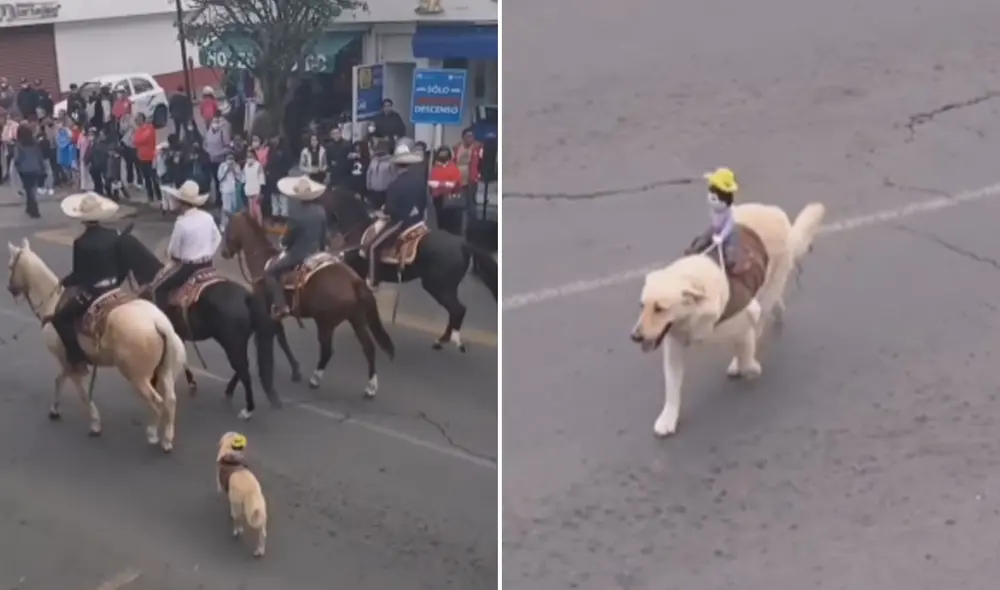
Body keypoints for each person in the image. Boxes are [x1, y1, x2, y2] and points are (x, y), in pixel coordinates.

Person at [41, 193, 123, 372]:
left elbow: (79, 275)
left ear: (83, 220)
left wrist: (64, 282)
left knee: (61, 319)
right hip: (116, 288)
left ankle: (77, 358)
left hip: (95, 292)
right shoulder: (114, 235)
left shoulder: (81, 242)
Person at [149, 181, 221, 308]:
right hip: (208, 264)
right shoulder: (207, 217)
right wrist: (207, 252)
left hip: (188, 267)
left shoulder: (181, 223)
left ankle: (166, 319)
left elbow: (174, 251)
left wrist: (172, 257)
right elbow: (218, 238)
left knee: (158, 288)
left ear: (181, 202)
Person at [264, 177, 327, 318]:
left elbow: (288, 240)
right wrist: (322, 250)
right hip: (318, 252)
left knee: (270, 272)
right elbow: (323, 235)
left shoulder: (297, 215)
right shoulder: (321, 210)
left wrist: (283, 243)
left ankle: (281, 306)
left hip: (300, 254)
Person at [365, 142, 425, 289]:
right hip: (418, 221)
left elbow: (390, 209)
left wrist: (383, 213)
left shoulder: (395, 184)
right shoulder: (419, 180)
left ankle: (373, 281)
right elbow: (423, 202)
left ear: (396, 165)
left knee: (373, 247)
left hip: (401, 222)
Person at [686, 167, 740, 271]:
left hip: (727, 234)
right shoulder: (715, 209)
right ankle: (694, 250)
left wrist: (722, 236)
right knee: (703, 239)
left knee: (730, 252)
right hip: (715, 228)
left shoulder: (729, 213)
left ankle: (730, 264)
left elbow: (729, 225)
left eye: (715, 198)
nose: (711, 200)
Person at [453, 127, 483, 231]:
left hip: (471, 178)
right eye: (468, 136)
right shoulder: (457, 148)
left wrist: (479, 175)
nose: (470, 139)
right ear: (463, 137)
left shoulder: (477, 148)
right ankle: (459, 226)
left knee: (471, 203)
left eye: (472, 136)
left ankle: (473, 227)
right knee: (460, 203)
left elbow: (481, 162)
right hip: (459, 179)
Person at [429, 146, 463, 235]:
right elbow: (432, 183)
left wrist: (443, 184)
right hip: (438, 197)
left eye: (445, 154)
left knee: (451, 220)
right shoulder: (434, 167)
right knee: (440, 219)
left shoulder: (453, 167)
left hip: (450, 197)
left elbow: (457, 183)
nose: (443, 156)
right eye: (441, 154)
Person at [13, 124, 44, 218]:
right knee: (32, 188)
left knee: (28, 189)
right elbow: (39, 155)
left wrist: (16, 164)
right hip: (36, 168)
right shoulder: (35, 143)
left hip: (24, 169)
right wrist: (41, 166)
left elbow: (17, 158)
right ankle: (29, 207)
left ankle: (34, 209)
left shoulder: (19, 145)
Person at [134, 113, 161, 202]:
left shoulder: (149, 128)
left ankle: (159, 195)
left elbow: (141, 139)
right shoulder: (138, 130)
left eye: (137, 119)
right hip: (142, 157)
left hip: (150, 157)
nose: (136, 121)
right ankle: (150, 196)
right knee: (147, 179)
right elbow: (136, 141)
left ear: (142, 119)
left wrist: (139, 140)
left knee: (154, 178)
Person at [217, 151, 242, 230]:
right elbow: (219, 178)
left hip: (234, 190)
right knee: (225, 208)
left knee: (233, 208)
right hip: (225, 190)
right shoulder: (222, 166)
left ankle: (233, 225)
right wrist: (227, 170)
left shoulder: (236, 166)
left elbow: (239, 178)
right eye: (229, 158)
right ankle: (223, 224)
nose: (230, 160)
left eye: (232, 158)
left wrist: (234, 171)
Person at [243, 148, 265, 224]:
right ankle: (252, 227)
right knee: (251, 210)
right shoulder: (246, 165)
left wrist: (260, 192)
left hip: (256, 190)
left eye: (251, 156)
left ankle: (259, 225)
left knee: (257, 210)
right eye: (247, 156)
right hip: (249, 189)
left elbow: (261, 179)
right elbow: (244, 178)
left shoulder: (258, 165)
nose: (249, 158)